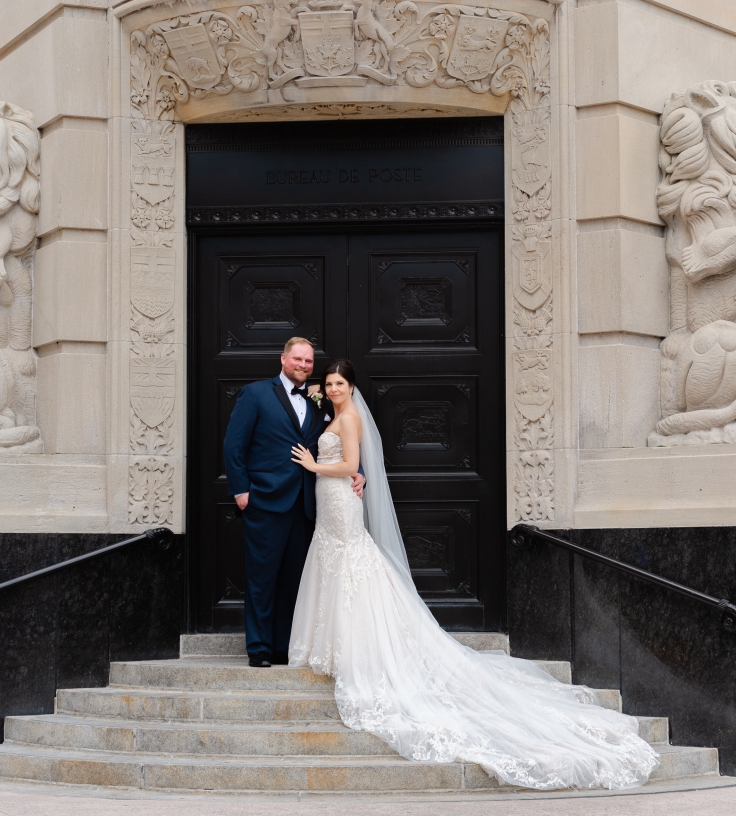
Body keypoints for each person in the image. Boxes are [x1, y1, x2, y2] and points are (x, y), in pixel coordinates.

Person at [287, 359, 658, 790]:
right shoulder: (332, 412)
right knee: (338, 563)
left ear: (351, 387)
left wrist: (315, 466)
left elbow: (352, 465)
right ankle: (330, 644)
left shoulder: (349, 419)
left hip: (338, 499)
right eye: (328, 384)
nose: (332, 389)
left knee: (352, 564)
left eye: (339, 383)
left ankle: (352, 647)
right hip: (331, 506)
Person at [222, 336, 363, 667]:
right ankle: (259, 647)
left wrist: (361, 472)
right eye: (298, 359)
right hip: (265, 501)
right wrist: (241, 491)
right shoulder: (256, 394)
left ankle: (284, 646)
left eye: (309, 361)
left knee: (294, 579)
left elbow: (341, 440)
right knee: (262, 577)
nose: (303, 365)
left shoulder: (319, 399)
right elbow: (234, 444)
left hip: (308, 504)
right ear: (283, 359)